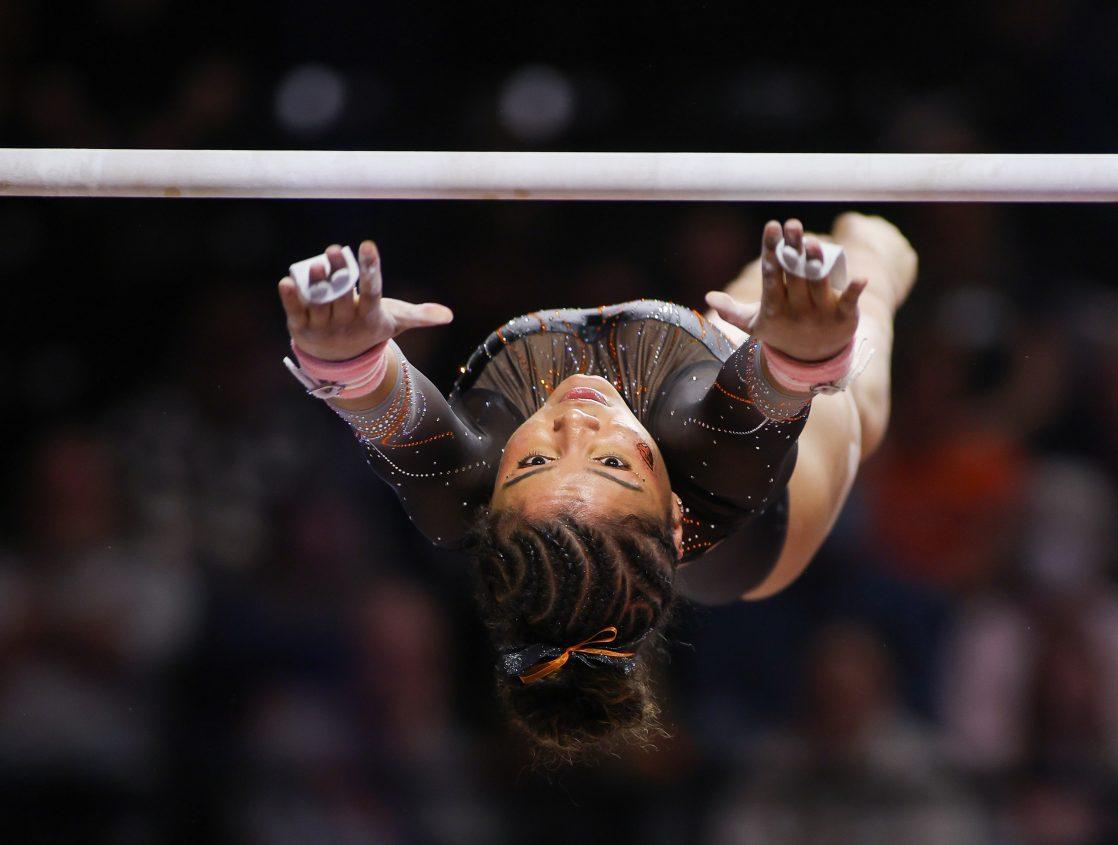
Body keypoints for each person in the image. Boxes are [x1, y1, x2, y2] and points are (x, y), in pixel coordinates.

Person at [276, 213, 917, 759]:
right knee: (866, 255)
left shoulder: (459, 491)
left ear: (492, 495)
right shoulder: (716, 461)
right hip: (770, 530)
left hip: (695, 371)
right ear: (672, 516)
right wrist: (805, 351)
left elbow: (381, 406)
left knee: (774, 284)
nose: (575, 421)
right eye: (611, 463)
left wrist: (348, 355)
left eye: (534, 462)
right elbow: (776, 389)